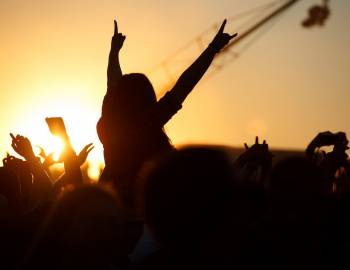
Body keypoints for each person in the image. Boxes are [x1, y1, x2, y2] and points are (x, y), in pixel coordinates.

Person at [97, 19, 238, 206]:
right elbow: (184, 85)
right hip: (142, 203)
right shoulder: (149, 121)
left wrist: (113, 52)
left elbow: (112, 82)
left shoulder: (109, 122)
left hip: (107, 200)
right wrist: (212, 49)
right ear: (147, 97)